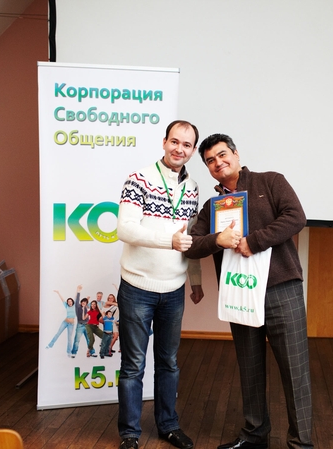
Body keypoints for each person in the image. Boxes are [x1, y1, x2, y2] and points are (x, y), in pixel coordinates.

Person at [185, 134, 313, 449]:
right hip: (240, 293)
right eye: (210, 161)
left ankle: (301, 443)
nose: (218, 163)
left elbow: (296, 217)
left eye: (222, 155)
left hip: (281, 289)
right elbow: (193, 246)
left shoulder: (270, 182)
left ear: (236, 154)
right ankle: (255, 434)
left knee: (295, 370)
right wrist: (217, 239)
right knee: (250, 367)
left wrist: (252, 242)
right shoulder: (212, 207)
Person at [116, 120, 204, 449]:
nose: (179, 149)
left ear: (193, 151)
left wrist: (195, 280)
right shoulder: (138, 179)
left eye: (187, 145)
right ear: (164, 142)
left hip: (174, 290)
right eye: (175, 141)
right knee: (133, 366)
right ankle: (129, 434)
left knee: (169, 363)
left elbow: (190, 238)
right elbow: (125, 229)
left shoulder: (193, 187)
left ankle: (168, 426)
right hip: (137, 287)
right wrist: (169, 240)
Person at [46, 290, 77, 357]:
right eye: (68, 302)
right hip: (65, 322)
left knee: (69, 338)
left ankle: (69, 352)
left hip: (71, 324)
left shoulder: (75, 306)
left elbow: (76, 297)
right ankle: (50, 345)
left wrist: (77, 290)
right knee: (58, 333)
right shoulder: (66, 306)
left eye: (70, 301)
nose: (69, 302)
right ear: (67, 303)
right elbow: (62, 299)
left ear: (72, 302)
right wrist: (58, 293)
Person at [70, 286, 91, 358]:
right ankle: (74, 353)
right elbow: (77, 300)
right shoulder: (78, 307)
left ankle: (92, 352)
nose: (84, 303)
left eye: (85, 302)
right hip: (80, 325)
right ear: (81, 302)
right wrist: (78, 291)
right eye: (83, 302)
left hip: (87, 325)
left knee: (89, 340)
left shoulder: (87, 308)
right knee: (77, 340)